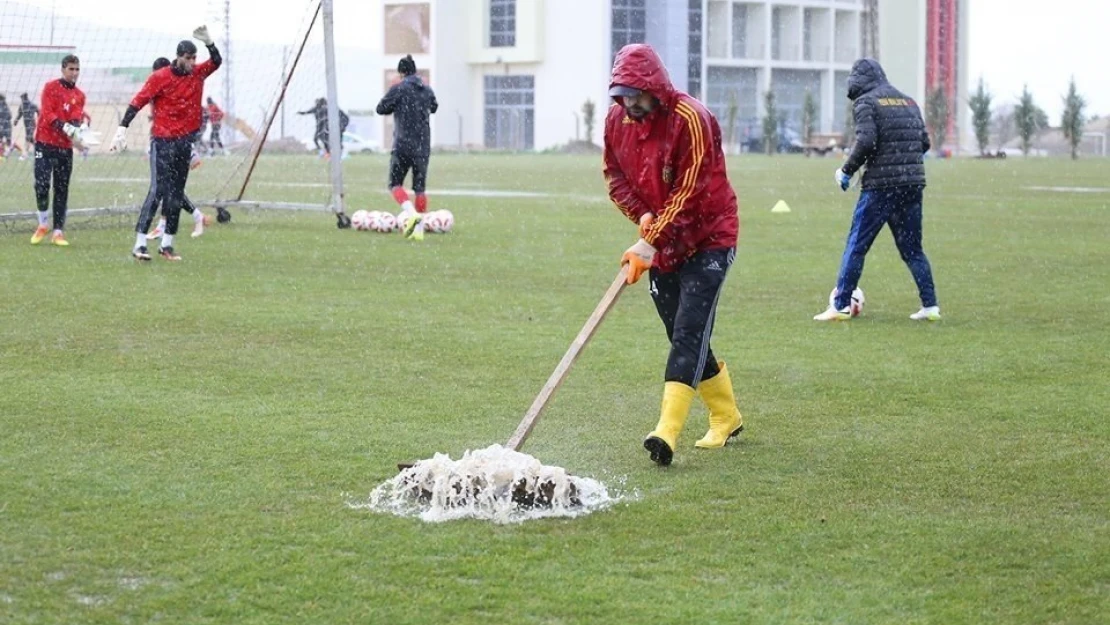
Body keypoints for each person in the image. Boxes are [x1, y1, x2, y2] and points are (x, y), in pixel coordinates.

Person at [604, 43, 743, 466]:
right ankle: (727, 415)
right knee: (685, 334)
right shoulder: (617, 121)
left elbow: (693, 190)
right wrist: (644, 217)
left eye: (634, 94)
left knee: (688, 333)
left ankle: (666, 432)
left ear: (654, 88)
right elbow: (615, 177)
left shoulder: (691, 119)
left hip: (709, 236)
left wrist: (650, 240)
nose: (628, 104)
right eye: (621, 95)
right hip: (664, 243)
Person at [815, 58, 940, 322]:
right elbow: (924, 143)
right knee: (913, 249)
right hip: (912, 184)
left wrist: (846, 170)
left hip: (881, 188)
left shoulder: (866, 102)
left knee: (856, 246)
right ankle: (930, 306)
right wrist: (903, 162)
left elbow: (867, 140)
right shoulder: (908, 102)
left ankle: (840, 306)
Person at [110, 26, 222, 262]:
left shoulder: (197, 74)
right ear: (178, 57)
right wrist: (122, 128)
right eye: (188, 58)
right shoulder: (160, 77)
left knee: (176, 194)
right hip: (162, 142)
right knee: (158, 191)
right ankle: (139, 243)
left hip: (184, 143)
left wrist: (209, 43)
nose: (192, 62)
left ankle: (167, 245)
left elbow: (217, 61)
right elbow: (137, 102)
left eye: (194, 58)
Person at [140, 57, 210, 240]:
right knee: (168, 187)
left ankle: (183, 220)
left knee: (168, 187)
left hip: (177, 143)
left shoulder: (177, 85)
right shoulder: (159, 87)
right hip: (166, 141)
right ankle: (187, 219)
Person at [376, 54, 437, 241]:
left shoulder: (399, 88)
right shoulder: (426, 89)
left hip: (402, 144)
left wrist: (395, 98)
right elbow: (434, 107)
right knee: (420, 188)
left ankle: (412, 215)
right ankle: (419, 232)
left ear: (401, 72)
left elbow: (380, 108)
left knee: (395, 184)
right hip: (423, 146)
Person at [29, 54, 86, 247]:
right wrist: (65, 127)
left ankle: (58, 232)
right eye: (71, 69)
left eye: (77, 69)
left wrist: (78, 134)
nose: (74, 73)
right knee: (42, 184)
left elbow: (76, 119)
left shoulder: (79, 95)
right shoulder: (50, 88)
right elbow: (48, 114)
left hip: (64, 148)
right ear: (63, 69)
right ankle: (43, 223)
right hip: (44, 143)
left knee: (62, 188)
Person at [13, 92, 39, 161]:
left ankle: (24, 155)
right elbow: (19, 114)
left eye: (21, 98)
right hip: (28, 125)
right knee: (31, 140)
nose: (21, 100)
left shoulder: (26, 105)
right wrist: (16, 121)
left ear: (24, 98)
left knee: (28, 138)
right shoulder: (27, 105)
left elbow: (39, 112)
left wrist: (16, 121)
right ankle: (39, 152)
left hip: (31, 125)